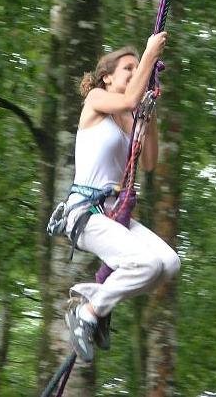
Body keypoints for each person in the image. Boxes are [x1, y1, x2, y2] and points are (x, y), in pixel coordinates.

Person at [64, 31, 181, 363]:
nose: (134, 72)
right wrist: (148, 53)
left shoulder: (128, 119)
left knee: (168, 264)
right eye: (127, 68)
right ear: (107, 77)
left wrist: (150, 111)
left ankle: (94, 299)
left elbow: (149, 161)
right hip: (86, 212)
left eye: (135, 67)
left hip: (115, 214)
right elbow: (129, 99)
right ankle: (88, 312)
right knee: (145, 264)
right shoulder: (97, 101)